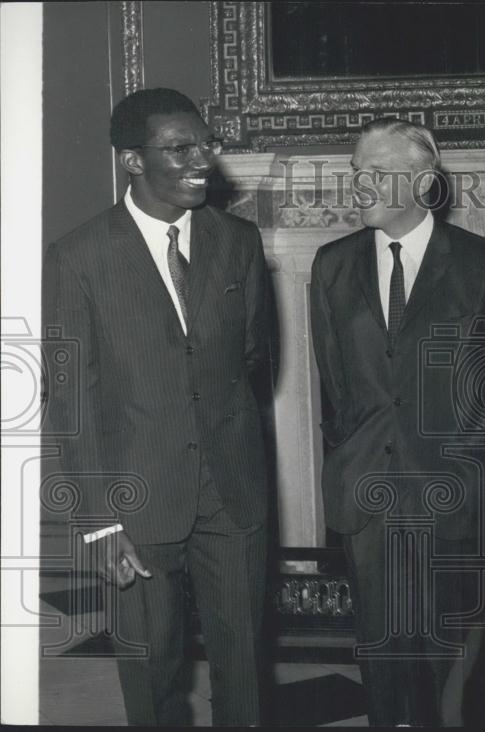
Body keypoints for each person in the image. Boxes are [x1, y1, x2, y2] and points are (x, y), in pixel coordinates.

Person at [42, 88, 274, 726]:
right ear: (132, 161)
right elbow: (71, 400)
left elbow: (254, 360)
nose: (203, 159)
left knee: (247, 666)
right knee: (152, 673)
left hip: (234, 492)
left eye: (207, 144)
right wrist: (100, 521)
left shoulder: (238, 242)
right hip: (135, 502)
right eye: (181, 148)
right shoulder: (78, 256)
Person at [309, 117, 485, 726]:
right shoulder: (331, 265)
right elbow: (334, 387)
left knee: (451, 670)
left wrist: (471, 464)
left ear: (425, 182)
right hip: (367, 499)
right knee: (381, 663)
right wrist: (351, 459)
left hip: (455, 498)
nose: (360, 184)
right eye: (357, 171)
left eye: (377, 173)